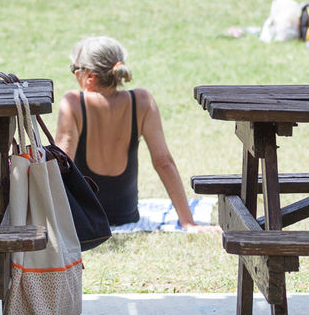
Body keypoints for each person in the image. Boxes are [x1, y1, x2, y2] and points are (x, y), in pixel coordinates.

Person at [53, 36, 204, 229]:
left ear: (89, 76)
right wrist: (187, 221)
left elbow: (61, 166)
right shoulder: (142, 101)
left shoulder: (73, 102)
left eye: (74, 69)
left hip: (85, 217)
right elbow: (163, 162)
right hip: (126, 215)